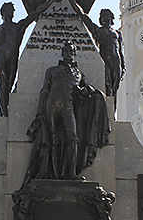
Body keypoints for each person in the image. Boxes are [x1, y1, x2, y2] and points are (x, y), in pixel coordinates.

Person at [23, 41, 110, 184]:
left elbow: (87, 90)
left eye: (70, 51)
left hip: (68, 106)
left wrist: (91, 92)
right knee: (52, 138)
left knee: (72, 137)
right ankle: (52, 173)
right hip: (51, 104)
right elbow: (44, 90)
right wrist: (40, 112)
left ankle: (70, 172)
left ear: (74, 53)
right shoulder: (51, 70)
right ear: (62, 53)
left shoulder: (79, 74)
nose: (68, 53)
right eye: (66, 51)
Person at [0, 0, 57, 117]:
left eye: (11, 10)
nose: (10, 13)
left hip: (12, 58)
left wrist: (51, 1)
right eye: (7, 10)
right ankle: (4, 113)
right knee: (3, 83)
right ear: (2, 13)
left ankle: (1, 110)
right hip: (1, 56)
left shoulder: (18, 27)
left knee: (9, 85)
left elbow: (35, 14)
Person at [66, 0, 125, 97]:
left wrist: (123, 66)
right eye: (102, 17)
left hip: (116, 62)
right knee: (108, 87)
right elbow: (82, 15)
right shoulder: (97, 30)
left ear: (111, 19)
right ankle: (107, 109)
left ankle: (112, 111)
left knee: (115, 89)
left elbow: (120, 51)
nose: (104, 19)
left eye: (106, 16)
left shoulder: (117, 33)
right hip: (104, 61)